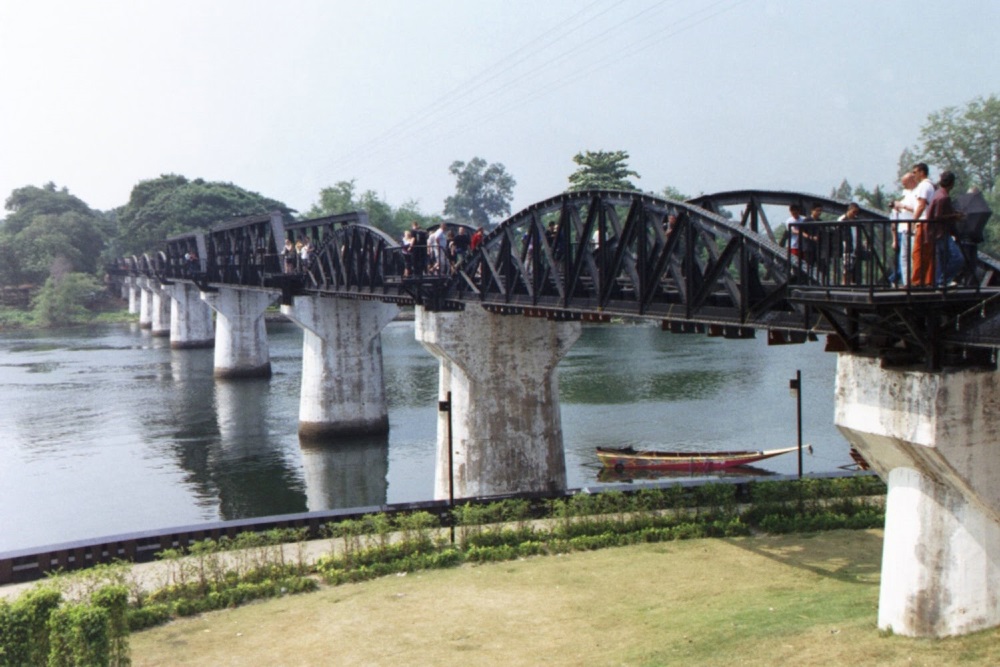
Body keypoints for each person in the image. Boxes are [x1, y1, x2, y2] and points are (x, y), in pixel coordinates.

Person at [925, 170, 962, 286]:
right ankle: (943, 281)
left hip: (934, 232)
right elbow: (938, 216)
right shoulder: (944, 197)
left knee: (942, 260)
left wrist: (953, 213)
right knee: (957, 258)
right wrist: (955, 216)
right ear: (952, 183)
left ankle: (938, 284)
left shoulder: (938, 194)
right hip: (941, 233)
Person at [910, 163, 936, 286]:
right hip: (930, 223)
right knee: (928, 253)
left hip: (923, 222)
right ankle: (928, 280)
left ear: (922, 172)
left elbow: (921, 205)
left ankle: (917, 281)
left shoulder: (923, 186)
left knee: (918, 252)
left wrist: (913, 221)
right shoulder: (931, 186)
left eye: (915, 172)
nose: (913, 175)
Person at [890, 172, 918, 287]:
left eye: (905, 183)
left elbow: (916, 210)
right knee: (903, 259)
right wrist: (894, 238)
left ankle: (905, 281)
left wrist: (902, 206)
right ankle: (904, 282)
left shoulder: (916, 194)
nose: (903, 185)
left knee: (909, 258)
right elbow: (893, 222)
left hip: (910, 230)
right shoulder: (907, 195)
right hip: (902, 230)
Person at [837, 202, 862, 284]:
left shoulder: (857, 220)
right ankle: (844, 282)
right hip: (846, 244)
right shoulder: (842, 219)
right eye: (853, 212)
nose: (855, 214)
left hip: (855, 245)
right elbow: (838, 232)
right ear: (849, 210)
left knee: (853, 265)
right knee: (846, 265)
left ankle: (851, 281)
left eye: (856, 212)